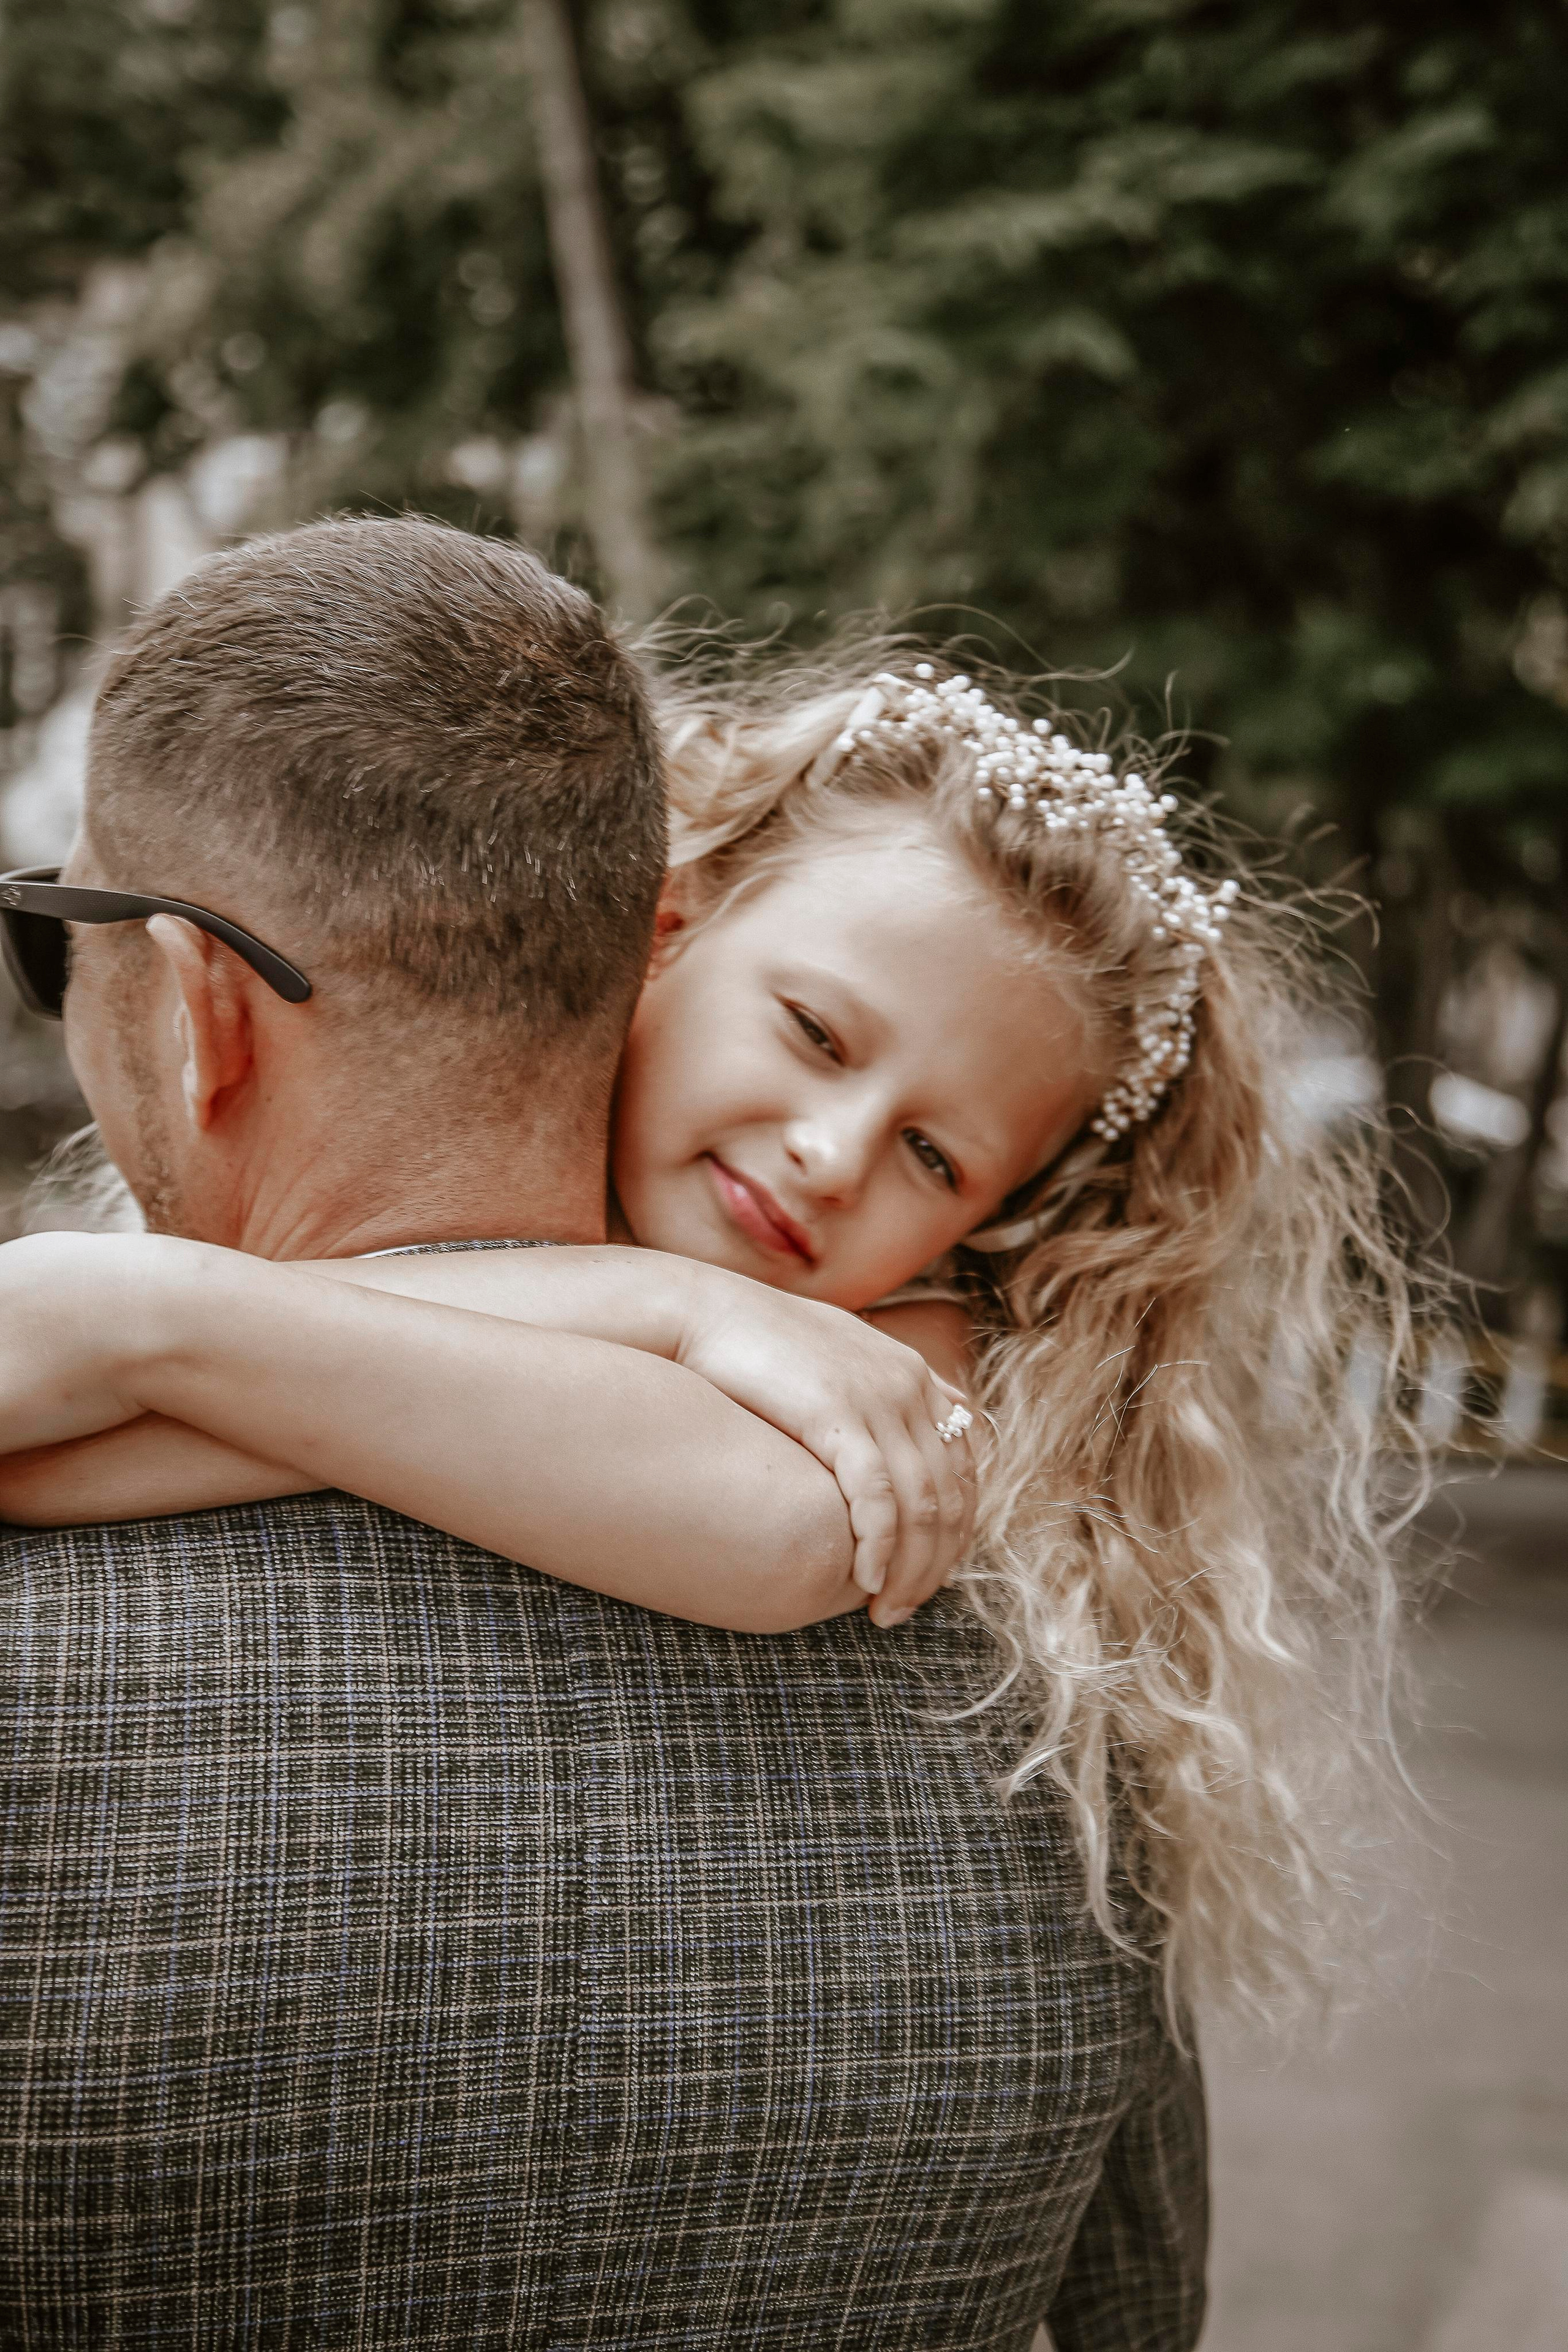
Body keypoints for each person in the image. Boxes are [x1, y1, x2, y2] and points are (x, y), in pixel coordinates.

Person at [0, 516, 1226, 2349]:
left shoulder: (885, 1442)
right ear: (656, 936)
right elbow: (1143, 2310)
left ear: (202, 1013)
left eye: (933, 1155)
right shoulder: (1049, 1711)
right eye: (813, 1031)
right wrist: (645, 1303)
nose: (825, 1155)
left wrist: (137, 1312)